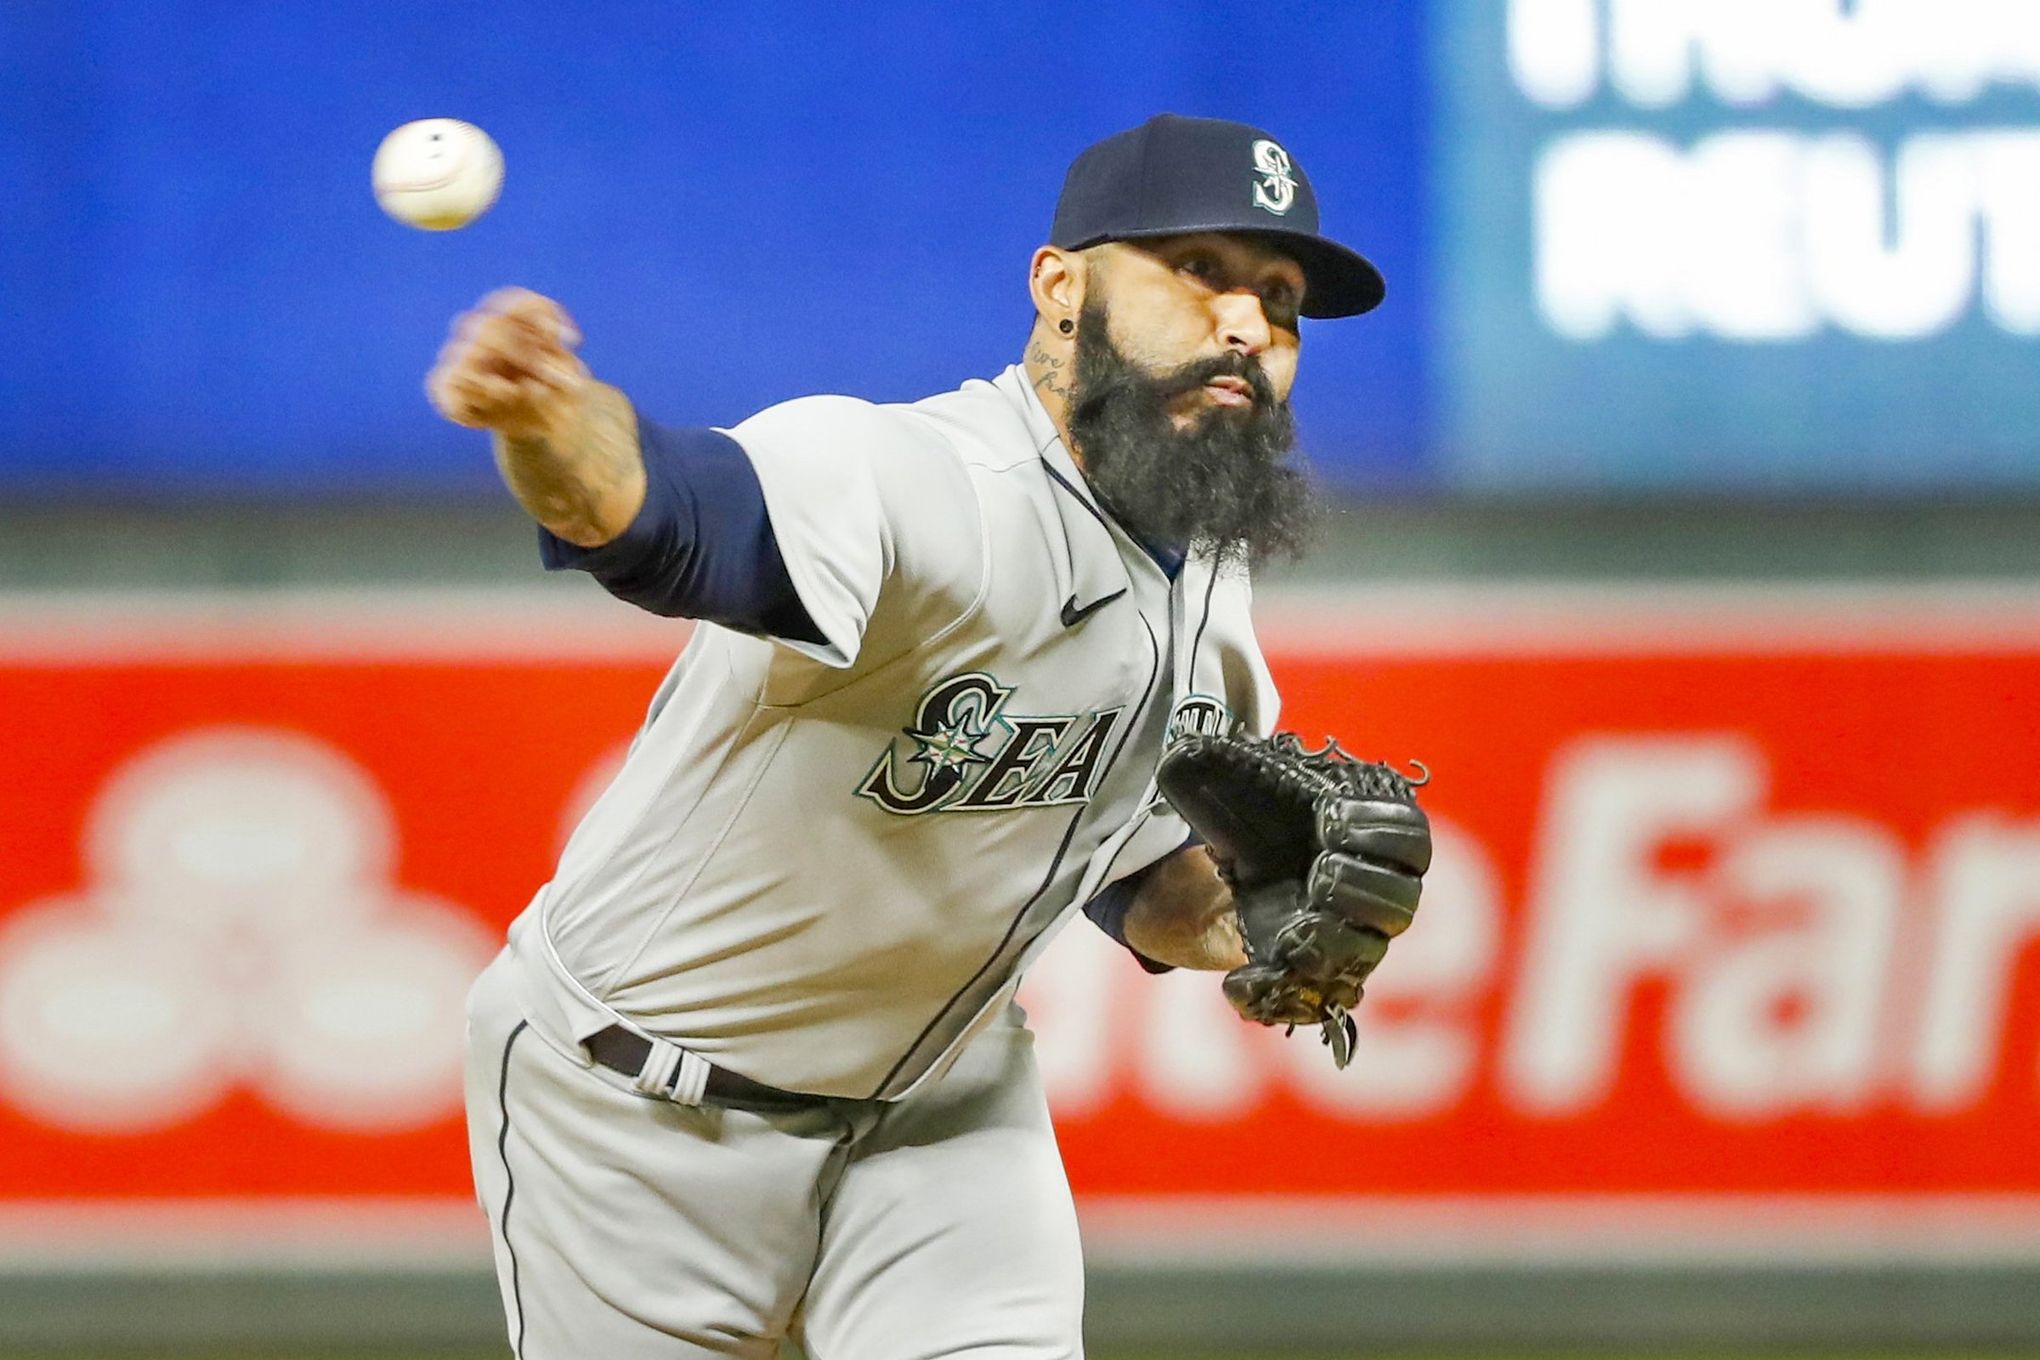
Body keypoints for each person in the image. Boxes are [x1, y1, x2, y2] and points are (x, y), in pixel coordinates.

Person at [428, 113, 1388, 1360]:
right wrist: (545, 423)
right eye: (1196, 268)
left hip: (942, 1111)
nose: (1248, 323)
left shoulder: (1207, 570)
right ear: (1061, 288)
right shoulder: (915, 480)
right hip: (633, 1114)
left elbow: (1132, 875)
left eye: (1280, 298)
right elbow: (662, 513)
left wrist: (1257, 908)